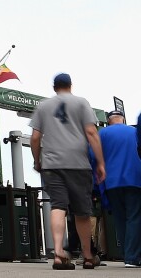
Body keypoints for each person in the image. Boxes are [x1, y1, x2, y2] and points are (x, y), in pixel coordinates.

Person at [30, 73, 105, 270]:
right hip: (78, 164)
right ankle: (88, 257)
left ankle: (59, 254)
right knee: (82, 212)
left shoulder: (43, 106)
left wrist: (37, 160)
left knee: (58, 207)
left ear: (54, 87)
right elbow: (91, 133)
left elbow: (35, 137)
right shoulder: (81, 103)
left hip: (52, 164)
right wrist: (100, 163)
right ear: (70, 86)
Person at [93, 110, 141, 267]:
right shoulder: (134, 131)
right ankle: (133, 257)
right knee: (134, 217)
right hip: (135, 179)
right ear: (123, 119)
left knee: (120, 219)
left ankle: (127, 255)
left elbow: (92, 156)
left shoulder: (102, 134)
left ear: (108, 121)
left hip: (111, 182)